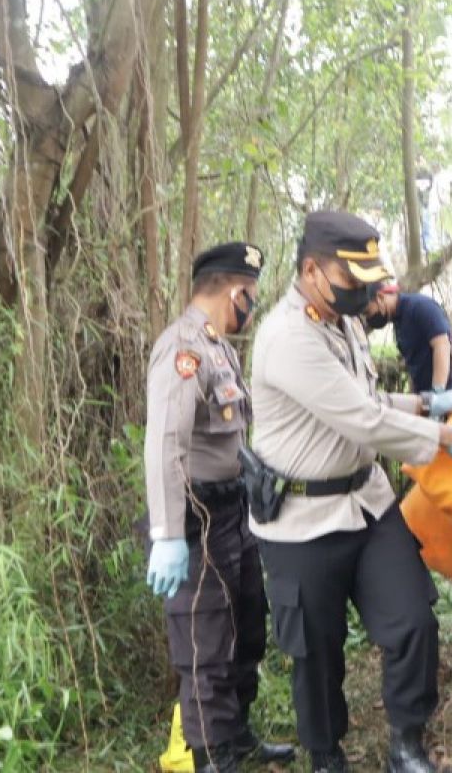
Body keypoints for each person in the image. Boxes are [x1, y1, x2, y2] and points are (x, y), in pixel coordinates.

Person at [248, 210, 452, 773]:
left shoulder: (343, 321)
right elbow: (360, 420)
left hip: (368, 503)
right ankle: (325, 755)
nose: (367, 292)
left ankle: (406, 741)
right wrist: (441, 435)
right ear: (311, 270)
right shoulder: (287, 337)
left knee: (412, 619)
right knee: (316, 652)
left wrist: (424, 404)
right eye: (354, 280)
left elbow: (370, 401)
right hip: (303, 519)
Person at [143, 242, 295, 773]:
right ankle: (211, 759)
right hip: (196, 518)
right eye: (250, 297)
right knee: (204, 647)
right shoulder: (182, 349)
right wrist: (166, 532)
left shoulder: (220, 348)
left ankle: (237, 739)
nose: (250, 307)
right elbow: (165, 441)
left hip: (235, 512)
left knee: (246, 630)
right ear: (237, 292)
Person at [363, 283, 452, 393]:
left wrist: (437, 392)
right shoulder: (399, 322)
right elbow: (414, 364)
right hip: (426, 395)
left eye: (367, 312)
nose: (368, 318)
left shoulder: (420, 306)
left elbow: (442, 345)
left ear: (380, 297)